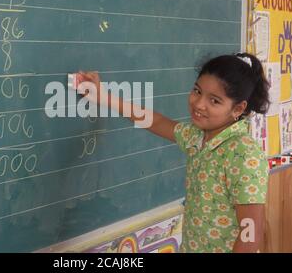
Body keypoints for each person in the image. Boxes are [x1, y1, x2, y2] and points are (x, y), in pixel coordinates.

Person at [77, 53, 270, 253]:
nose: (198, 104)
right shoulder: (197, 137)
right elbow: (156, 122)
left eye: (214, 101)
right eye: (197, 91)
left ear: (238, 108)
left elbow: (250, 234)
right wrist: (104, 97)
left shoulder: (243, 154)